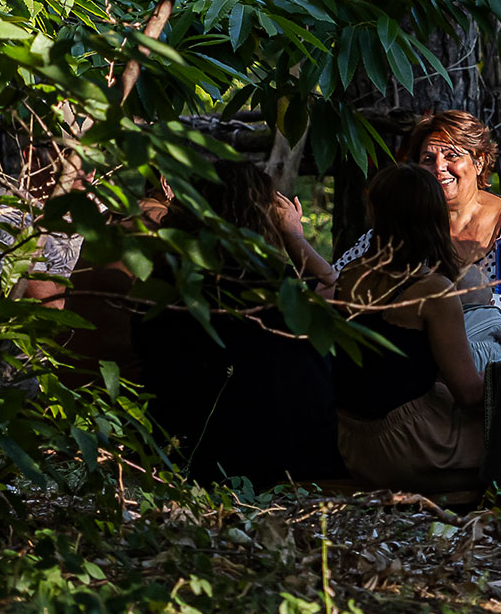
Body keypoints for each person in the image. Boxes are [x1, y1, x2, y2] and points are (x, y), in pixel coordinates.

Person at [133, 159, 343, 486]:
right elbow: (335, 288)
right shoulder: (280, 289)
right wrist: (294, 238)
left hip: (184, 457)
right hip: (283, 462)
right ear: (260, 216)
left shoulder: (163, 285)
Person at [331, 163, 487, 493]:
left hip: (353, 441)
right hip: (408, 447)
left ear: (376, 213)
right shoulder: (432, 291)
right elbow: (470, 394)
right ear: (434, 216)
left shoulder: (351, 276)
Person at [334, 109, 501, 296]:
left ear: (479, 162)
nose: (439, 168)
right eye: (428, 159)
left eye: (452, 156)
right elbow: (337, 278)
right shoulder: (404, 220)